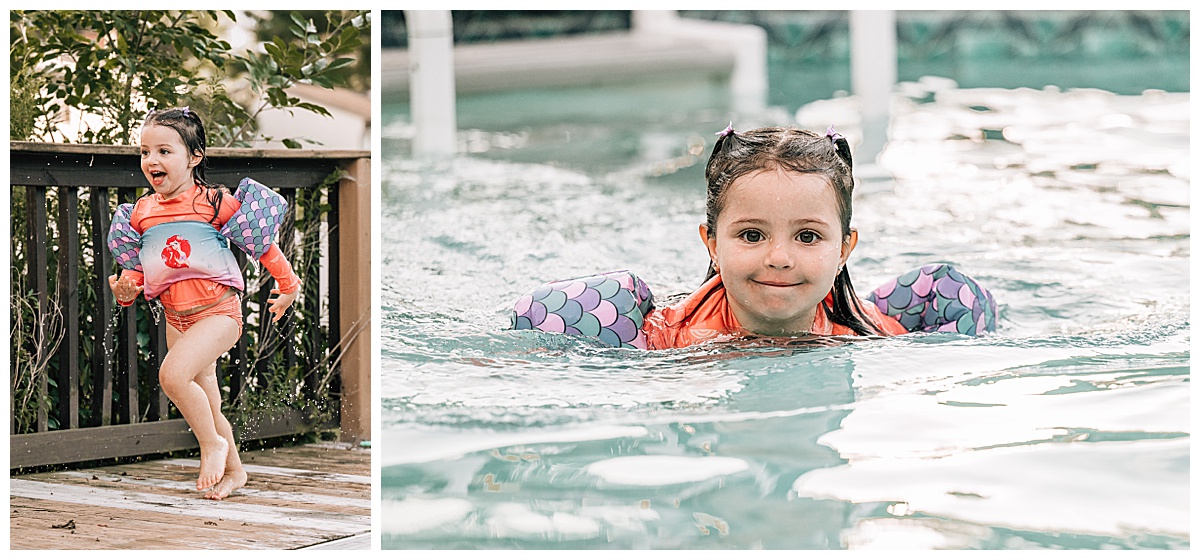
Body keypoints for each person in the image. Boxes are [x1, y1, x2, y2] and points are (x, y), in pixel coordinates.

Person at [107, 107, 300, 500]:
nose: (152, 161)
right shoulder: (140, 213)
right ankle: (235, 472)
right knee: (209, 405)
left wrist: (288, 284)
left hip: (219, 313)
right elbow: (138, 270)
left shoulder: (214, 203)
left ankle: (212, 445)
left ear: (194, 157)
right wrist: (126, 289)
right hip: (177, 319)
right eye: (145, 152)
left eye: (164, 150)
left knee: (172, 377)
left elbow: (261, 245)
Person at [642, 124, 908, 349]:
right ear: (713, 246)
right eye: (752, 235)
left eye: (807, 236)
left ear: (842, 250)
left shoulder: (872, 334)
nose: (779, 258)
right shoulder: (665, 339)